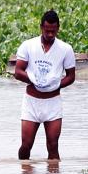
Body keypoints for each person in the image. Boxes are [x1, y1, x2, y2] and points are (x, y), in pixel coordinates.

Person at [12, 10, 76, 160]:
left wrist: (55, 84)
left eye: (53, 31)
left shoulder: (66, 49)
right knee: (26, 144)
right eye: (47, 31)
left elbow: (71, 76)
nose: (50, 34)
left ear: (58, 28)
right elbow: (18, 71)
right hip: (31, 102)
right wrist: (33, 80)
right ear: (41, 27)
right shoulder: (28, 45)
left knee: (53, 144)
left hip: (53, 103)